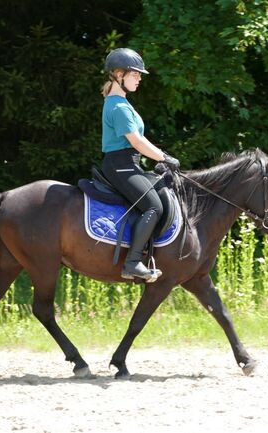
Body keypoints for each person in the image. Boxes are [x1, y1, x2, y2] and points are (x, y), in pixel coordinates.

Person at [100, 48, 180, 283]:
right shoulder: (119, 107)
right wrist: (164, 157)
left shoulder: (120, 103)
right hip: (120, 166)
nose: (140, 78)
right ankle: (133, 263)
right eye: (135, 74)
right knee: (153, 206)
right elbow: (136, 140)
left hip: (126, 164)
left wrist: (160, 156)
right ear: (119, 75)